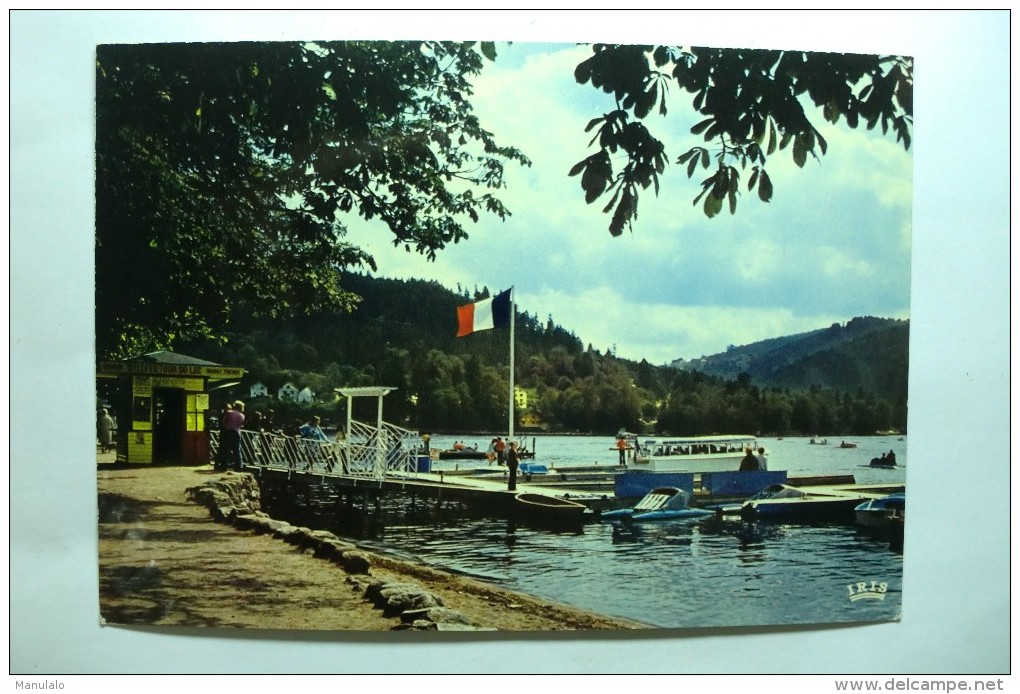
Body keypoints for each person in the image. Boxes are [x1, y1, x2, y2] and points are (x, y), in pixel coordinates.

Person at [222, 400, 246, 471]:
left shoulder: (229, 413)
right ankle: (238, 466)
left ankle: (224, 465)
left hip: (229, 432)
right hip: (237, 433)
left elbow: (224, 421)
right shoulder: (242, 415)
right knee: (237, 450)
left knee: (226, 449)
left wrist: (226, 425)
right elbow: (241, 425)